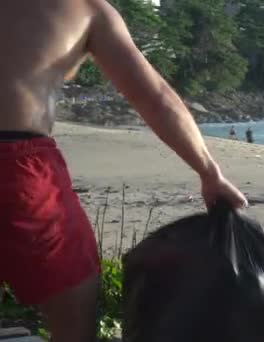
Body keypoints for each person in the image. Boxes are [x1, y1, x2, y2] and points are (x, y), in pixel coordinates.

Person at [0, 1, 248, 341]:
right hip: (17, 166)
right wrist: (209, 172)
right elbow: (154, 97)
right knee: (74, 295)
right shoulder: (85, 9)